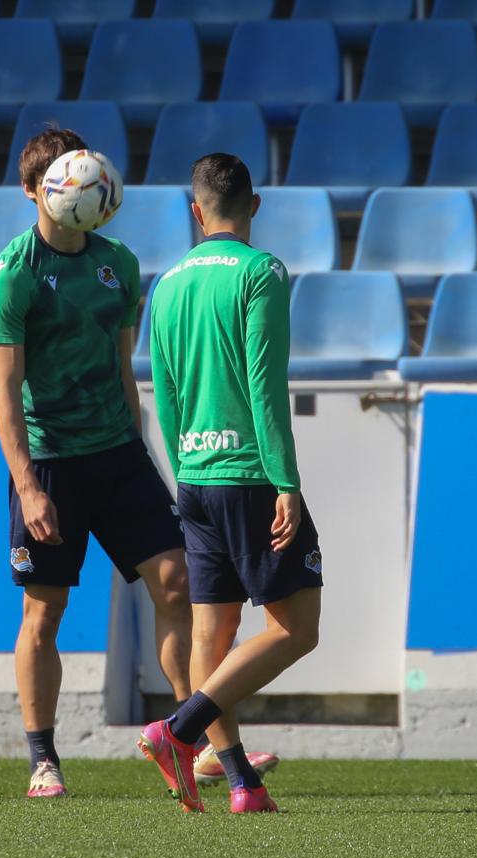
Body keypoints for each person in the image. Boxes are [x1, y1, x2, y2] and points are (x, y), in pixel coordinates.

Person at [0, 128, 196, 800]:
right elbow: (5, 393)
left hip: (117, 454)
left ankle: (190, 734)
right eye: (54, 178)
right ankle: (43, 757)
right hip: (49, 463)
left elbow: (124, 368)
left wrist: (140, 451)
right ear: (33, 191)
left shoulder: (119, 264)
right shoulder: (13, 275)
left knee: (176, 582)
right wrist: (29, 487)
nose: (71, 187)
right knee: (44, 614)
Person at [137, 153, 323, 815]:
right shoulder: (260, 271)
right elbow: (264, 386)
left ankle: (243, 782)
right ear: (256, 204)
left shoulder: (168, 282)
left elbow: (163, 387)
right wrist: (285, 481)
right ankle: (179, 733)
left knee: (210, 640)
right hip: (250, 475)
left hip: (194, 475)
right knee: (297, 629)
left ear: (196, 209)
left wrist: (187, 466)